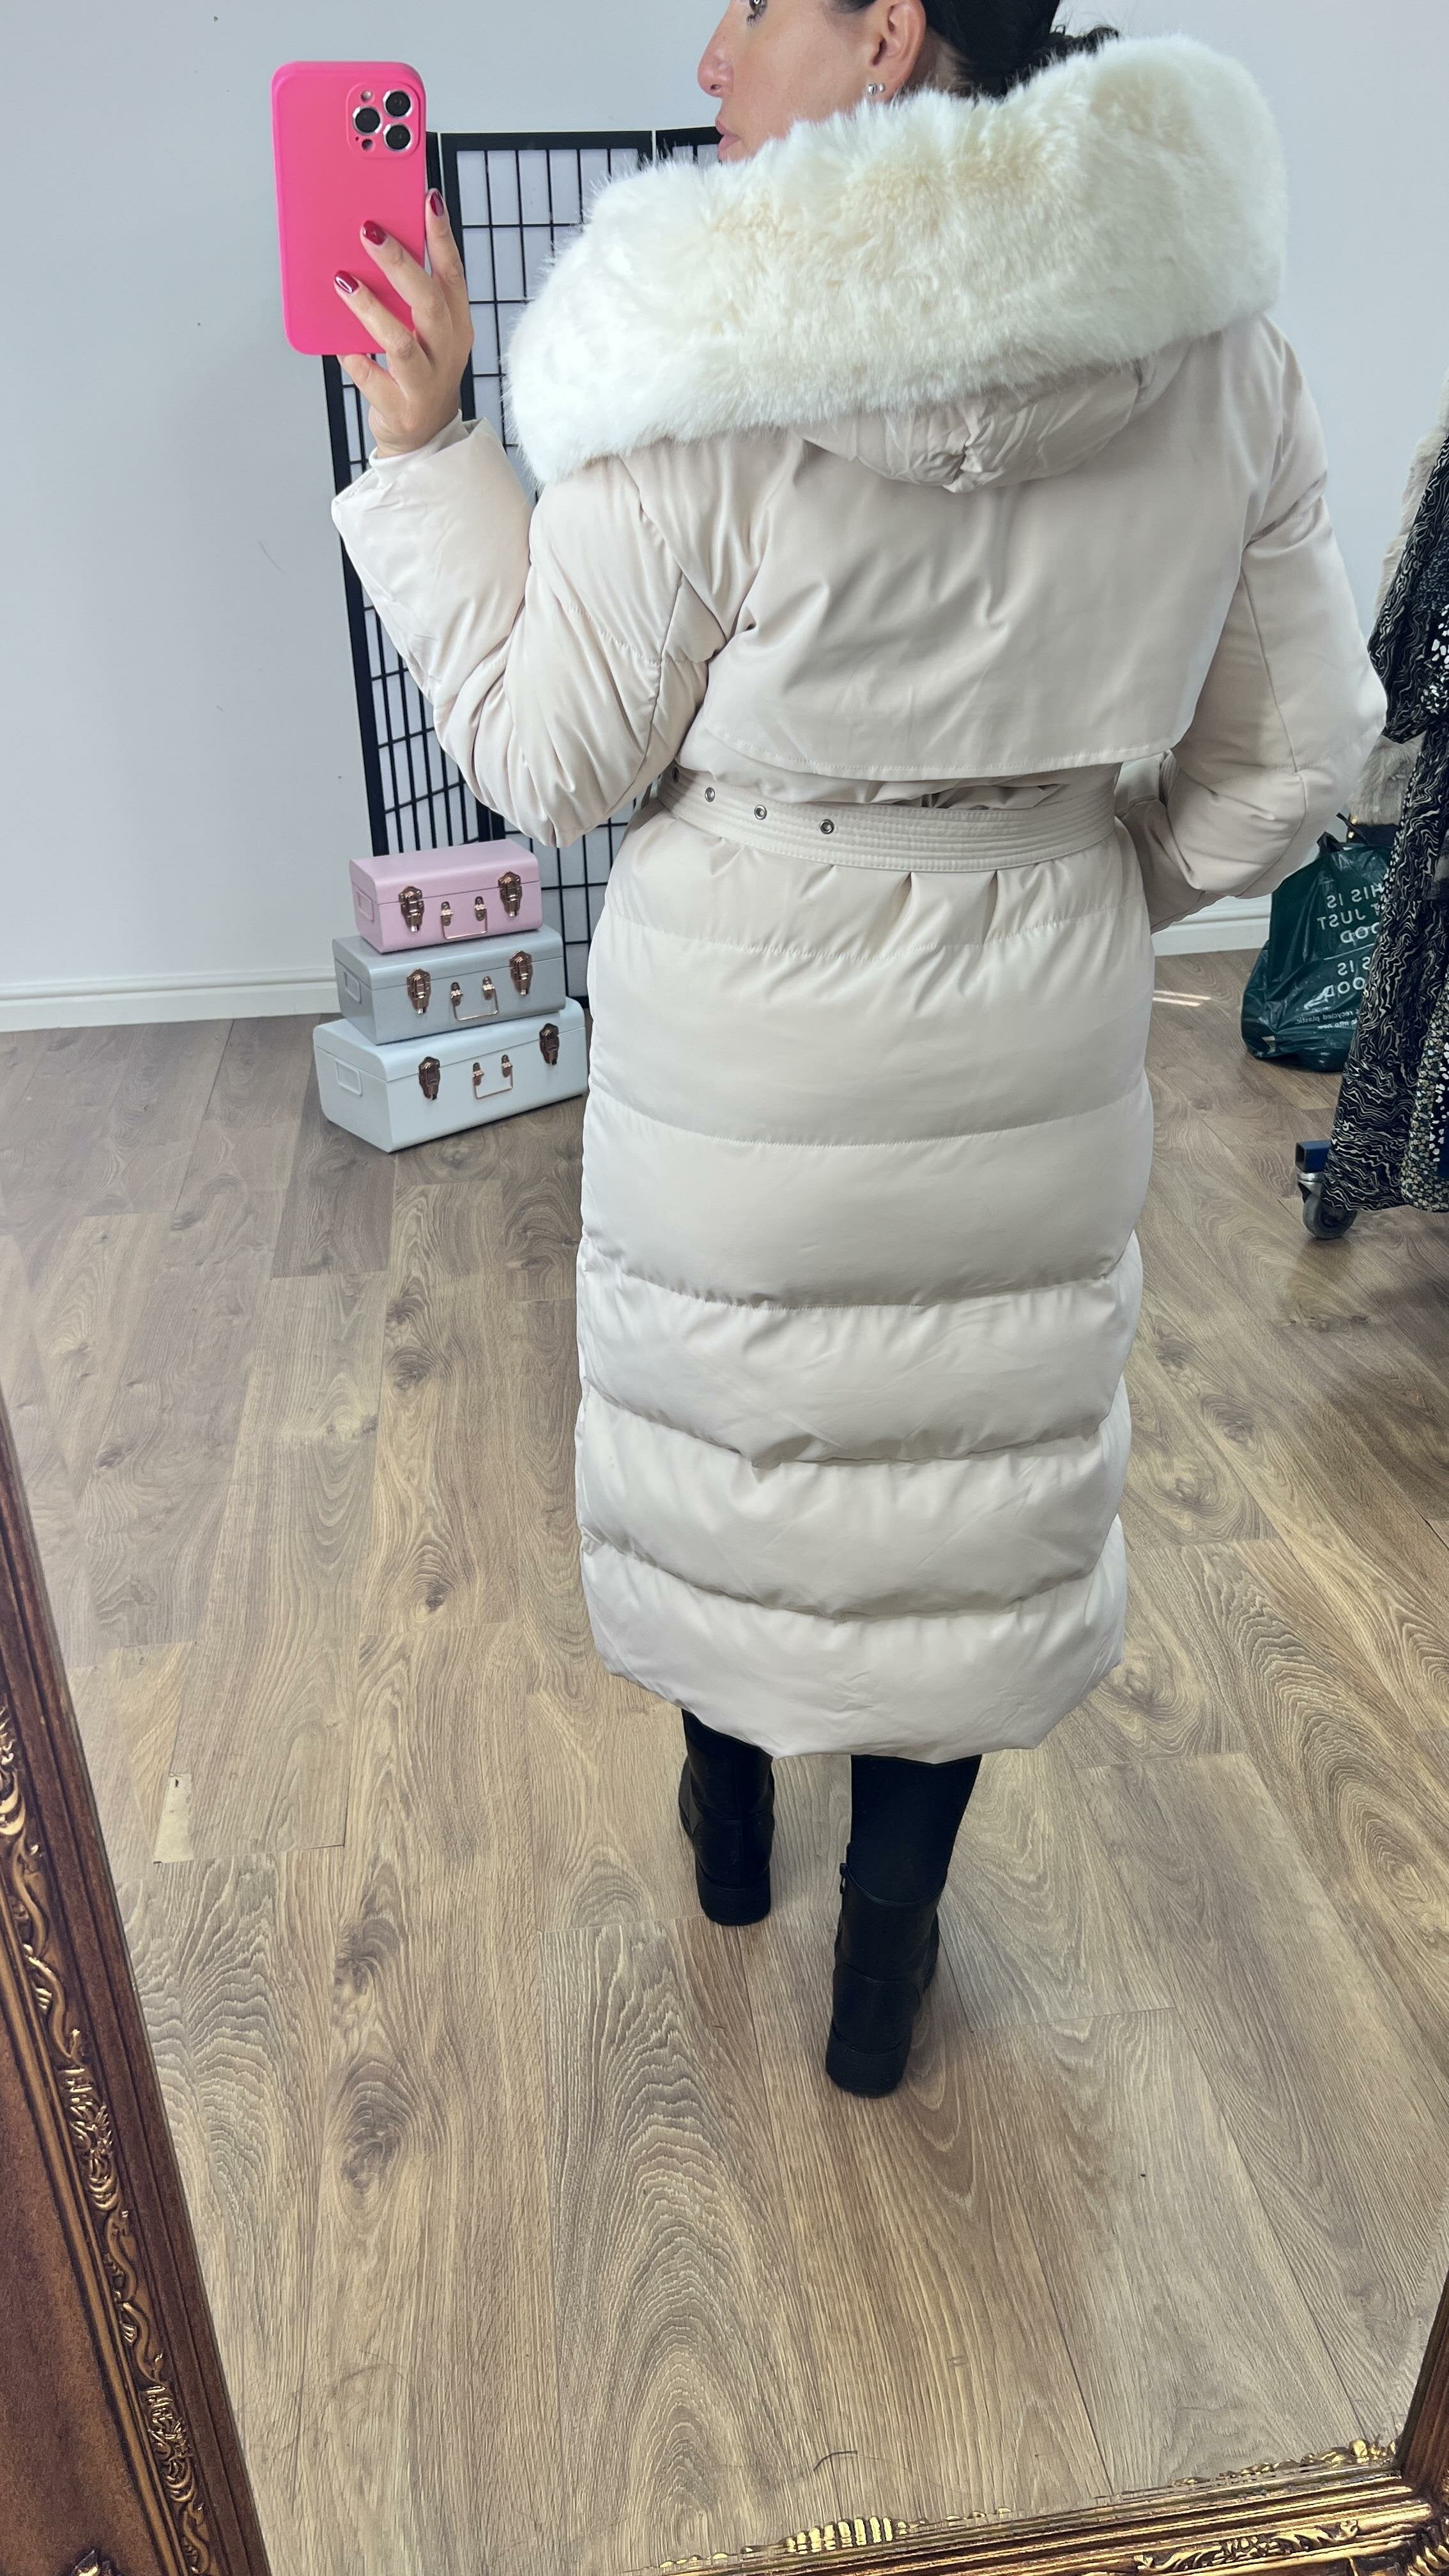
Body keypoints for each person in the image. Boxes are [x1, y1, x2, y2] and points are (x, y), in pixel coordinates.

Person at [328, 0, 1384, 2095]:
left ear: (888, 30)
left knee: (740, 1448)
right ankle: (886, 1949)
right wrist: (1081, 876)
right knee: (968, 1483)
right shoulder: (1215, 353)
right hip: (1037, 996)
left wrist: (430, 452)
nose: (711, 58)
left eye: (752, 5)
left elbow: (552, 761)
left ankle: (728, 1828)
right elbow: (1300, 751)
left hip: (743, 1014)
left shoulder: (696, 357)